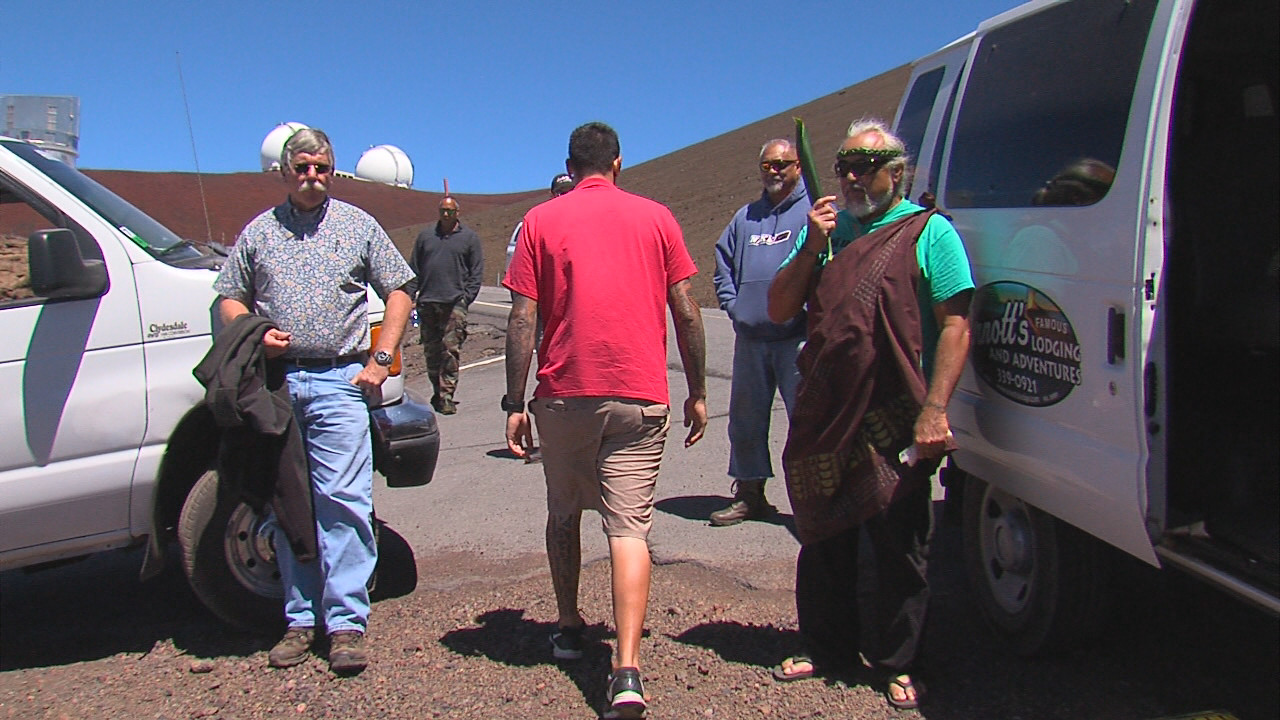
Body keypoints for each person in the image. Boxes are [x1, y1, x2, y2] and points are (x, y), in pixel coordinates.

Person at [765, 119, 973, 711]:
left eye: (867, 165)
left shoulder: (930, 233)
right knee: (823, 534)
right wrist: (809, 245)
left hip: (898, 413)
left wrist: (936, 408)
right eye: (845, 166)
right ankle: (826, 646)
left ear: (896, 171)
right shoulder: (826, 234)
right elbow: (781, 308)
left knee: (899, 541)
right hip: (826, 412)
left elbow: (956, 323)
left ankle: (900, 659)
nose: (854, 177)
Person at [502, 121, 707, 719]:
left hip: (564, 393)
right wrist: (696, 390)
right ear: (618, 162)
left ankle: (568, 628)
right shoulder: (657, 217)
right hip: (639, 393)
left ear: (570, 165)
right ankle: (626, 668)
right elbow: (688, 311)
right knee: (628, 527)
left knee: (564, 512)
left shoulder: (540, 221)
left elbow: (521, 318)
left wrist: (514, 403)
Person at [212, 128, 415, 674]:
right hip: (277, 387)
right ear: (284, 171)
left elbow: (400, 286)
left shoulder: (356, 226)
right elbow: (229, 296)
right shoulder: (260, 232)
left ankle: (346, 624)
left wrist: (382, 358)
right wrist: (253, 331)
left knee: (343, 501)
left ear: (332, 169)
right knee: (288, 503)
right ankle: (300, 619)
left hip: (339, 381)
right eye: (302, 168)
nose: (312, 177)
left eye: (321, 167)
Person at [708, 139, 810, 526]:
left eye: (783, 163)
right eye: (768, 164)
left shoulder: (812, 212)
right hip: (751, 339)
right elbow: (723, 264)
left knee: (806, 421)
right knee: (746, 421)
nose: (775, 171)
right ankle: (750, 494)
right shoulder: (745, 218)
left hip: (797, 339)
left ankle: (810, 501)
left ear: (798, 166)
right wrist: (734, 307)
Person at [407, 195, 484, 415]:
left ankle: (447, 396)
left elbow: (476, 271)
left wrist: (465, 298)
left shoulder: (469, 238)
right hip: (428, 302)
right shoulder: (426, 237)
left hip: (454, 303)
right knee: (432, 352)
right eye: (443, 211)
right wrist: (411, 297)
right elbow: (415, 269)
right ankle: (436, 391)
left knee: (450, 350)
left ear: (458, 213)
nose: (447, 214)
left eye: (451, 211)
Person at [504, 172, 576, 284]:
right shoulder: (538, 222)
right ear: (551, 195)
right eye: (560, 193)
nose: (565, 197)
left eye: (570, 192)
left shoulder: (583, 221)